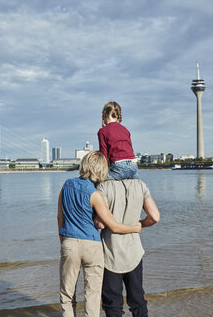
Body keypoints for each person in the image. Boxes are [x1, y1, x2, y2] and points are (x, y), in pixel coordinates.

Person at [57, 151, 142, 317]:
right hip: (92, 245)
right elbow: (112, 226)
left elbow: (60, 217)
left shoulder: (66, 185)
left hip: (70, 243)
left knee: (67, 293)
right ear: (101, 170)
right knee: (92, 294)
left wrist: (63, 240)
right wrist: (135, 228)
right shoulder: (95, 195)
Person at [97, 179, 160, 317]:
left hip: (110, 252)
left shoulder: (104, 187)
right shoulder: (140, 185)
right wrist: (140, 225)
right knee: (138, 299)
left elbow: (100, 223)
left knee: (113, 302)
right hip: (134, 252)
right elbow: (155, 217)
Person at [98, 101, 139, 180]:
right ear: (117, 116)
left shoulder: (103, 131)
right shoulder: (125, 130)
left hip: (119, 166)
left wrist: (102, 172)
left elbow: (104, 155)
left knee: (100, 181)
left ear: (105, 115)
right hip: (134, 166)